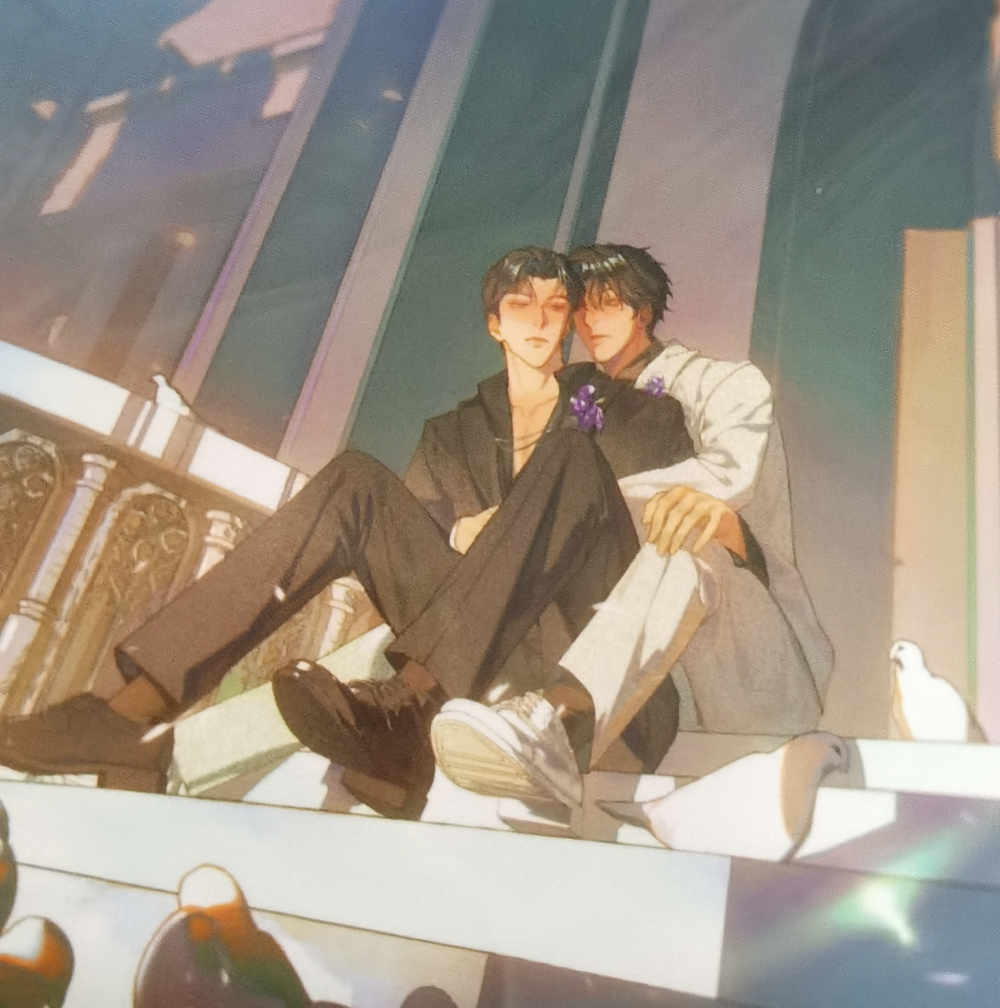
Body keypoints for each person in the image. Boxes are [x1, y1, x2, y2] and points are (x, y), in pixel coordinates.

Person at [0, 249, 693, 815]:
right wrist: (458, 535)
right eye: (522, 305)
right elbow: (415, 562)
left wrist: (539, 496)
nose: (541, 320)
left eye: (556, 307)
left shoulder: (633, 410)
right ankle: (128, 717)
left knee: (571, 458)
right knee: (355, 481)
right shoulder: (451, 435)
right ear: (495, 324)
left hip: (584, 658)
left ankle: (409, 713)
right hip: (480, 660)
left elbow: (647, 521)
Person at [430, 244, 833, 807]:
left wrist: (574, 499)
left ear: (642, 310)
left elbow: (730, 473)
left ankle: (560, 724)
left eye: (608, 304)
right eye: (580, 308)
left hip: (739, 644)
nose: (589, 321)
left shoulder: (723, 382)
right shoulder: (576, 397)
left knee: (686, 541)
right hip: (627, 644)